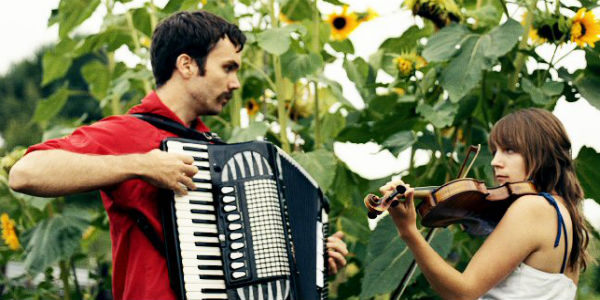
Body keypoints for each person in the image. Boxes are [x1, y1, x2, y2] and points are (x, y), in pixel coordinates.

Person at [8, 10, 347, 300]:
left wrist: (307, 255)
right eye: (228, 68)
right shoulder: (129, 133)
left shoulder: (218, 153)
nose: (236, 83)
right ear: (186, 65)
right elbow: (25, 173)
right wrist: (141, 164)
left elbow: (237, 258)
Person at [379, 108, 591, 300]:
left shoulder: (532, 207)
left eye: (509, 150)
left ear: (541, 152)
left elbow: (463, 292)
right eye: (495, 151)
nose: (495, 161)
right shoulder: (563, 213)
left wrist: (409, 232)